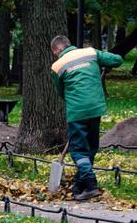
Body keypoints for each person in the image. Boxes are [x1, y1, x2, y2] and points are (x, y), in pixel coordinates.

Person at [50, 35, 123, 200]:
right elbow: (117, 60)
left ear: (57, 49)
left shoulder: (57, 66)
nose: (56, 56)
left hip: (77, 111)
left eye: (55, 53)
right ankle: (79, 185)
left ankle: (90, 185)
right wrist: (104, 64)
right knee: (90, 147)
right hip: (96, 108)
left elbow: (61, 91)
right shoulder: (91, 53)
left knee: (78, 150)